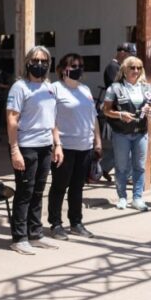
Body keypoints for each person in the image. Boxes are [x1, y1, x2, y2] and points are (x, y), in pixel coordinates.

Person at [7, 46, 62, 255]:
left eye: (43, 61)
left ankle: (35, 233)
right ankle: (19, 238)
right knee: (25, 192)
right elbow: (11, 119)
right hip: (26, 146)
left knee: (38, 192)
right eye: (35, 60)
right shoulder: (20, 87)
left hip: (45, 145)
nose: (39, 65)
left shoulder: (49, 88)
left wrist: (57, 144)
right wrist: (15, 150)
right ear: (28, 62)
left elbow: (53, 119)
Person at [47, 53, 100, 240]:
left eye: (80, 66)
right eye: (74, 65)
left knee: (77, 187)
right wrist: (56, 144)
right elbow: (50, 119)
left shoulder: (85, 89)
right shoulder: (55, 89)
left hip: (84, 146)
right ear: (62, 69)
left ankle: (76, 223)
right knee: (60, 186)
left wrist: (98, 142)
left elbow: (93, 117)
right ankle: (55, 223)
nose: (78, 69)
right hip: (64, 146)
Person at [102, 55, 151, 211]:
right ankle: (122, 197)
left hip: (141, 132)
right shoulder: (114, 88)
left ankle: (137, 198)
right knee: (122, 167)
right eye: (132, 67)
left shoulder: (147, 87)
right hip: (121, 133)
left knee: (139, 167)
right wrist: (120, 115)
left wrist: (150, 111)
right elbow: (106, 110)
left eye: (139, 68)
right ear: (124, 69)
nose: (136, 70)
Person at [100, 43, 136, 181]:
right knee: (125, 144)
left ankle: (101, 168)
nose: (131, 58)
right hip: (116, 111)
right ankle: (128, 174)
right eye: (129, 55)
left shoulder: (119, 67)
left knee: (120, 145)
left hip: (121, 110)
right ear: (121, 52)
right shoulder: (113, 67)